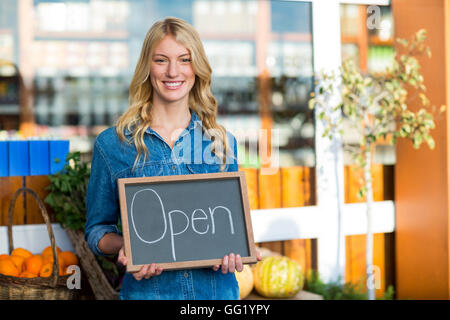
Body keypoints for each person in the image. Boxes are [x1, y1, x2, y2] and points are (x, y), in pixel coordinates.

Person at [84, 17, 255, 300]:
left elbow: (233, 229)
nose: (173, 71)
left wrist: (236, 251)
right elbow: (96, 232)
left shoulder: (221, 143)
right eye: (161, 60)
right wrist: (129, 245)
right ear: (147, 68)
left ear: (196, 68)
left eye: (184, 59)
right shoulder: (113, 144)